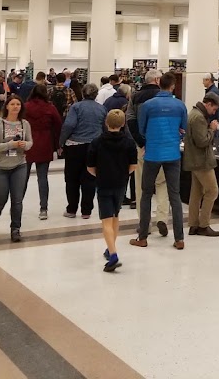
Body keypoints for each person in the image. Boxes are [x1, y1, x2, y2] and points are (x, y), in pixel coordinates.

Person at [130, 72, 187, 250]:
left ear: (158, 83)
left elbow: (142, 128)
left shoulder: (147, 105)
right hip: (172, 154)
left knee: (146, 193)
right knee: (174, 196)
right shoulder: (180, 105)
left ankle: (143, 236)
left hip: (152, 153)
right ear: (172, 86)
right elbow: (183, 128)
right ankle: (179, 239)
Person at [86, 110, 138, 272]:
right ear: (123, 124)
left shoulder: (97, 142)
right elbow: (133, 166)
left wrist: (100, 175)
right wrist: (122, 175)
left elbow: (90, 167)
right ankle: (111, 248)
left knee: (106, 220)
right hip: (121, 184)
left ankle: (113, 253)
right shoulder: (129, 143)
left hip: (103, 184)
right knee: (115, 217)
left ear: (107, 123)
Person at [0, 95, 32, 241]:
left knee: (17, 200)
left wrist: (26, 145)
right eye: (12, 104)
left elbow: (31, 141)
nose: (15, 106)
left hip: (19, 165)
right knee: (0, 200)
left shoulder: (25, 124)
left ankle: (15, 229)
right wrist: (9, 145)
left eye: (18, 104)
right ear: (7, 106)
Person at [127, 69, 168, 228]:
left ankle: (144, 223)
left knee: (142, 186)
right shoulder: (166, 97)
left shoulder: (135, 97)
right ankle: (162, 219)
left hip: (142, 148)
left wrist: (141, 142)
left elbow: (130, 120)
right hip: (161, 147)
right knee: (162, 183)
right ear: (157, 80)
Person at [59, 84, 106, 219]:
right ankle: (86, 211)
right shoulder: (102, 109)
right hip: (94, 147)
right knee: (90, 179)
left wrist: (61, 142)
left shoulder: (76, 107)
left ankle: (72, 209)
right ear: (96, 94)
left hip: (75, 146)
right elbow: (105, 128)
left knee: (72, 179)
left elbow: (68, 125)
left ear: (83, 94)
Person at [184, 93, 219, 237]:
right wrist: (212, 129)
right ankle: (203, 225)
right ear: (208, 104)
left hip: (194, 160)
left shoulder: (194, 113)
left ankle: (193, 224)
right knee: (212, 191)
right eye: (214, 109)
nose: (214, 112)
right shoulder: (199, 117)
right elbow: (202, 141)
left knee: (196, 192)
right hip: (202, 161)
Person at [24, 83, 63, 219]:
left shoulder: (26, 106)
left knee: (23, 178)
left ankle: (17, 205)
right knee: (42, 178)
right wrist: (58, 144)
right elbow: (58, 126)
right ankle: (43, 209)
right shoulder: (50, 108)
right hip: (44, 144)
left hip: (27, 145)